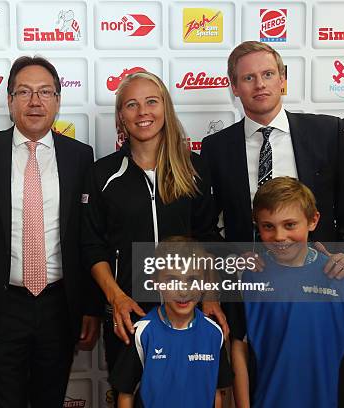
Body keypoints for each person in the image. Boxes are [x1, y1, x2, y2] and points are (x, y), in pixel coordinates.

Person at [0, 56, 100, 408]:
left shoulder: (80, 156)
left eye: (45, 92)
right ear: (9, 100)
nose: (35, 101)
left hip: (59, 307)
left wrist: (91, 306)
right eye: (25, 92)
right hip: (0, 309)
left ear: (58, 101)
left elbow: (88, 238)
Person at [81, 71, 227, 400]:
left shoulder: (195, 168)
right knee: (128, 395)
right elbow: (92, 246)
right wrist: (116, 297)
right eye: (131, 104)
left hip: (186, 309)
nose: (143, 112)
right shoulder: (101, 173)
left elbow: (208, 237)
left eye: (151, 101)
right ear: (121, 117)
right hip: (128, 311)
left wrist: (212, 294)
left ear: (165, 108)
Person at [200, 41, 344, 278]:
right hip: (251, 284)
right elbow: (204, 224)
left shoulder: (328, 132)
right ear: (235, 88)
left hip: (323, 275)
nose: (260, 85)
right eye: (248, 78)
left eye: (267, 74)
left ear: (282, 79)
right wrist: (230, 258)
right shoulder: (216, 148)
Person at [228, 177, 344, 407]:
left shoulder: (342, 277)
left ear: (313, 221)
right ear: (257, 225)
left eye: (290, 225)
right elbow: (239, 349)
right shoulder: (247, 278)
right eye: (268, 226)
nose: (279, 236)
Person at [109, 238, 233, 408]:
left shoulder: (214, 333)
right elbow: (125, 395)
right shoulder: (141, 333)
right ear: (155, 281)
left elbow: (217, 393)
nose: (183, 291)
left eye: (192, 280)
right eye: (172, 280)